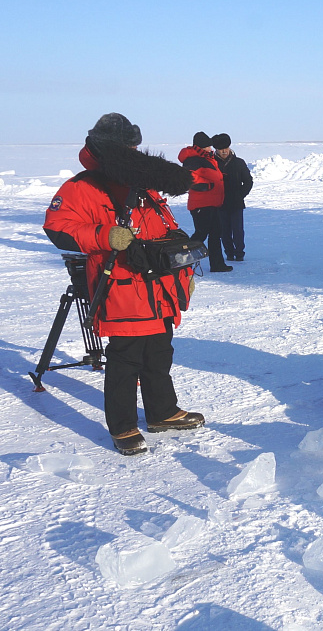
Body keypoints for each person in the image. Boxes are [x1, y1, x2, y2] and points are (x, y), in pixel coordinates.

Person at [43, 113, 206, 455]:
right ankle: (123, 426)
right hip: (121, 286)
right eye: (127, 146)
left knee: (160, 352)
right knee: (126, 358)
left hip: (160, 288)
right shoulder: (81, 186)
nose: (133, 150)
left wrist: (183, 274)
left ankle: (162, 412)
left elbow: (166, 232)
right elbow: (58, 229)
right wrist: (104, 235)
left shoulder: (142, 183)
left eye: (135, 145)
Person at [179, 132, 231, 272]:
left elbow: (212, 174)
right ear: (200, 147)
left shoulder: (207, 158)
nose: (210, 149)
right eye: (207, 146)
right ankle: (182, 262)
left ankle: (217, 264)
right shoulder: (193, 159)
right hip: (201, 204)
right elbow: (190, 178)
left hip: (212, 203)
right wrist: (208, 185)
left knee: (215, 233)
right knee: (201, 234)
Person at [211, 133, 253, 261]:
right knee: (224, 231)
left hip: (236, 203)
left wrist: (240, 195)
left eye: (226, 148)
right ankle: (229, 253)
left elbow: (248, 181)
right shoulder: (212, 164)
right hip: (219, 203)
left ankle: (239, 253)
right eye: (220, 149)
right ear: (216, 149)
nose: (224, 151)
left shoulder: (239, 163)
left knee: (238, 230)